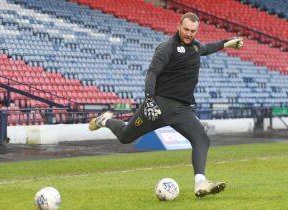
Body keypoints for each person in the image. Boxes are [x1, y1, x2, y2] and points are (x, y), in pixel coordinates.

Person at [89, 12, 243, 198]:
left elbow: (208, 48)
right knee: (125, 137)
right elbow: (152, 73)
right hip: (158, 106)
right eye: (186, 29)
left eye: (193, 31)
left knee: (202, 139)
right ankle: (104, 120)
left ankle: (200, 183)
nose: (189, 33)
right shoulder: (167, 47)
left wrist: (229, 42)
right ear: (179, 26)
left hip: (181, 110)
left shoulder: (195, 47)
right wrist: (150, 100)